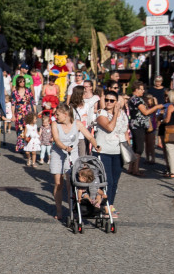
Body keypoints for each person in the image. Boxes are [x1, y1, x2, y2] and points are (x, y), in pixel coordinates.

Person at [50, 102, 98, 221]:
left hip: (72, 155)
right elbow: (56, 139)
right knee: (58, 183)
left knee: (71, 183)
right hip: (58, 154)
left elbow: (89, 136)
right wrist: (65, 147)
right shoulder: (55, 124)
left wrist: (97, 145)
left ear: (66, 114)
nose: (55, 116)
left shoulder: (77, 124)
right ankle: (59, 210)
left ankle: (72, 209)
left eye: (58, 114)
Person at [94, 89, 128, 219]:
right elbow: (109, 127)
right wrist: (115, 114)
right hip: (104, 150)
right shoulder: (101, 113)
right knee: (106, 180)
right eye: (106, 100)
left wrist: (128, 149)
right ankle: (105, 206)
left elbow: (124, 131)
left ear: (116, 102)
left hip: (118, 151)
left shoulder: (123, 115)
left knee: (115, 181)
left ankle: (110, 205)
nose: (108, 102)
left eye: (111, 100)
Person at [11, 75, 34, 153]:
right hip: (19, 113)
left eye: (23, 81)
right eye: (20, 81)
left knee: (28, 129)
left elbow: (32, 101)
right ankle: (20, 146)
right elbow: (13, 104)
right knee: (20, 129)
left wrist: (34, 112)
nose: (22, 83)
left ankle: (28, 145)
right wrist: (13, 115)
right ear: (17, 82)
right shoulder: (14, 92)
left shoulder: (28, 90)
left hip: (27, 112)